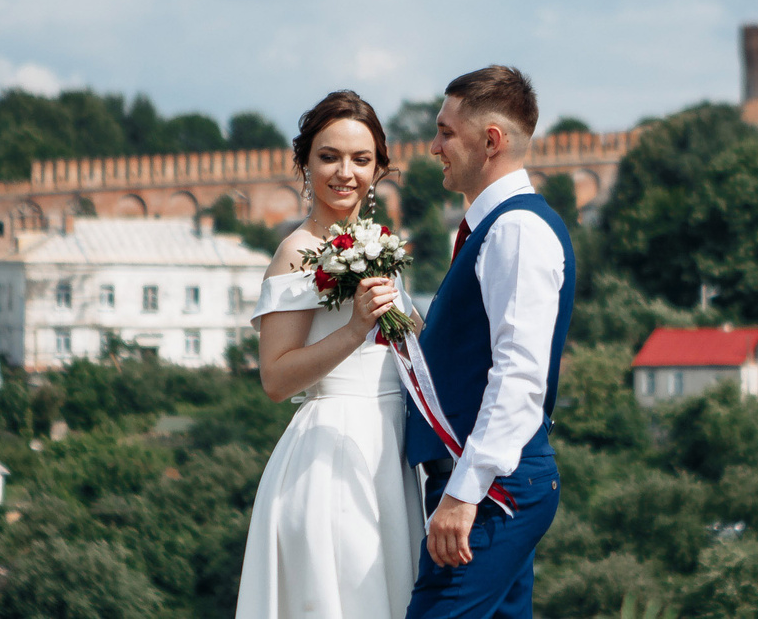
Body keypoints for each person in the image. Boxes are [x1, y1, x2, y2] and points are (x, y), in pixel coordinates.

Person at [237, 90, 416, 619]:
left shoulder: (378, 242)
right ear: (305, 163)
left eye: (361, 159)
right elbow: (276, 379)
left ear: (379, 168)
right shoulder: (296, 252)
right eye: (329, 156)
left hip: (392, 446)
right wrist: (355, 328)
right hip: (334, 451)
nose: (345, 173)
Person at [404, 66, 573, 619]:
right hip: (495, 482)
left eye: (446, 133)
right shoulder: (498, 227)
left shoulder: (514, 230)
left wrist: (463, 493)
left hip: (491, 488)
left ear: (491, 141)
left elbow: (519, 374)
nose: (434, 147)